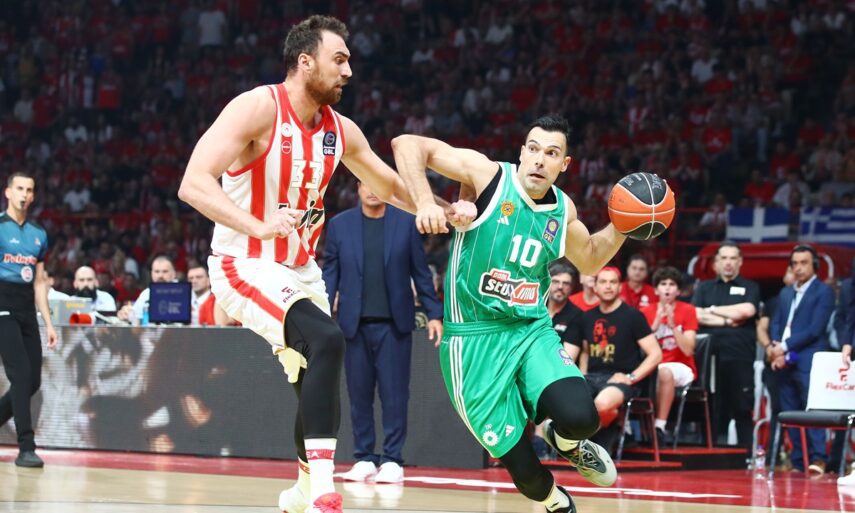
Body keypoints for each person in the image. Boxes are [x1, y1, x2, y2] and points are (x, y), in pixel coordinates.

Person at [177, 15, 473, 513]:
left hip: (300, 270)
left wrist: (440, 210)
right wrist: (258, 226)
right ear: (305, 62)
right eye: (340, 60)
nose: (349, 71)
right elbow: (193, 183)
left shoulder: (340, 130)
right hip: (244, 262)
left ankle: (299, 489)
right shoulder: (258, 107)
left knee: (315, 375)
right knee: (329, 339)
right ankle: (321, 491)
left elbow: (387, 184)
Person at [391, 115, 669, 512]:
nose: (540, 159)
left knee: (584, 417)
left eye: (552, 153)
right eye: (534, 149)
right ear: (522, 152)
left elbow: (590, 258)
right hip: (472, 341)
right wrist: (423, 203)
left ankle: (565, 440)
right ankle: (555, 500)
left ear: (564, 164)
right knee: (528, 475)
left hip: (529, 329)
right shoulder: (488, 175)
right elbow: (406, 144)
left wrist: (624, 225)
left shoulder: (562, 209)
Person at [323, 180, 443, 484]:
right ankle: (364, 457)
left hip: (394, 325)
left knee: (395, 395)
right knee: (358, 395)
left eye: (377, 183)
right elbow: (330, 275)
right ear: (357, 188)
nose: (372, 190)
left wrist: (434, 314)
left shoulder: (406, 223)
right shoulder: (339, 225)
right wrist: (320, 316)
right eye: (365, 183)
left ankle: (392, 460)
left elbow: (420, 272)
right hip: (353, 325)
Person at [0, 172, 58, 467]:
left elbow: (39, 282)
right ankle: (26, 447)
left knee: (32, 381)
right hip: (2, 306)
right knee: (20, 375)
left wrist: (48, 323)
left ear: (33, 196)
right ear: (8, 192)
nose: (24, 194)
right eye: (19, 188)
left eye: (29, 190)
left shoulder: (39, 234)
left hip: (26, 310)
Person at [578, 267, 662, 452]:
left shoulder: (633, 316)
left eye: (613, 282)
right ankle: (613, 424)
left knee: (602, 405)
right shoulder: (587, 317)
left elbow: (656, 354)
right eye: (603, 282)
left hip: (621, 379)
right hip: (592, 377)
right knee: (565, 403)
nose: (608, 286)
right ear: (595, 287)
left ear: (619, 287)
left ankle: (580, 442)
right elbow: (584, 351)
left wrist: (631, 377)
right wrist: (582, 375)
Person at [768, 245, 834, 474]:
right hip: (783, 360)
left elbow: (815, 329)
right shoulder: (786, 293)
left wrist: (783, 347)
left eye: (804, 263)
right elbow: (776, 322)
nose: (798, 268)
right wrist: (775, 347)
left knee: (812, 410)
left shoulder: (823, 291)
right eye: (795, 263)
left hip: (808, 358)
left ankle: (818, 458)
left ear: (814, 265)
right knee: (790, 410)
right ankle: (798, 460)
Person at [692, 242, 761, 447]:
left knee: (742, 406)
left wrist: (711, 310)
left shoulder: (750, 287)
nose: (728, 262)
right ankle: (708, 453)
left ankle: (746, 456)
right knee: (710, 406)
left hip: (739, 356)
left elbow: (747, 311)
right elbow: (696, 314)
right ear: (716, 263)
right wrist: (727, 320)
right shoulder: (704, 287)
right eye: (724, 258)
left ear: (740, 262)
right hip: (709, 358)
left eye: (733, 258)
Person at [640, 266, 698, 444]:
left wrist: (673, 326)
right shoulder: (645, 312)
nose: (667, 288)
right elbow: (639, 349)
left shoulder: (688, 310)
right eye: (663, 284)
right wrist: (655, 325)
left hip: (682, 366)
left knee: (664, 372)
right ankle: (629, 429)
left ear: (678, 291)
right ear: (656, 290)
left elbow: (688, 349)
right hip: (653, 364)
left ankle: (659, 427)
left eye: (672, 284)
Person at [117, 255, 176, 324]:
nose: (160, 275)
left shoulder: (183, 292)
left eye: (165, 271)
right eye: (157, 271)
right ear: (151, 274)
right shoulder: (146, 293)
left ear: (173, 274)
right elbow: (135, 316)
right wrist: (126, 314)